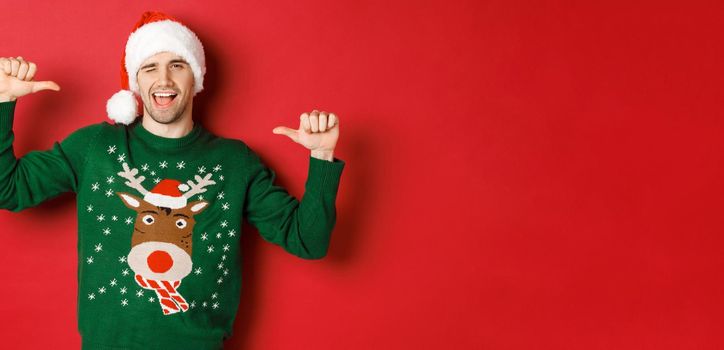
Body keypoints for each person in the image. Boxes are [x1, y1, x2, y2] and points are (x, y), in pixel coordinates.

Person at [0, 11, 344, 349]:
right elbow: (8, 189)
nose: (163, 80)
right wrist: (3, 101)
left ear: (195, 77)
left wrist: (322, 156)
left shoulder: (234, 163)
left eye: (177, 65)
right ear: (137, 82)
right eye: (150, 67)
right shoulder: (95, 148)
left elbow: (308, 241)